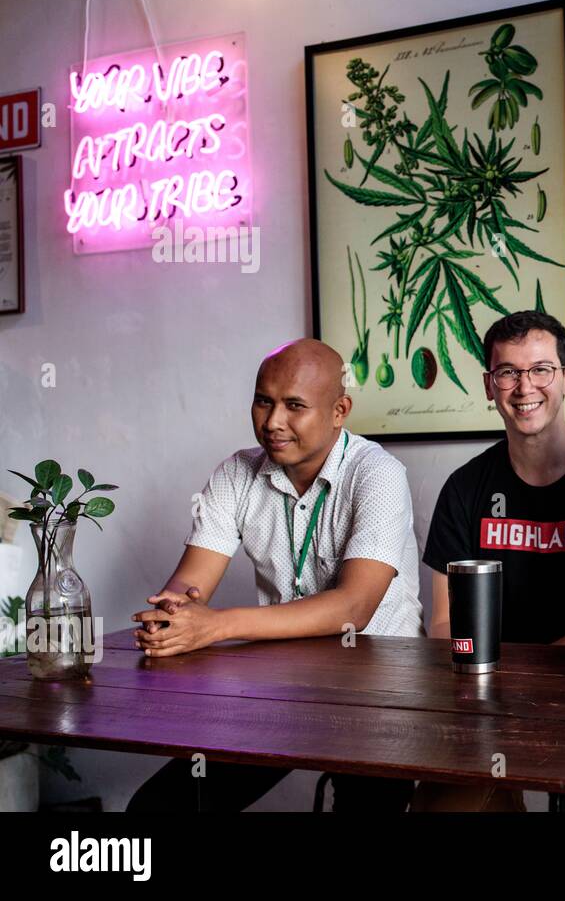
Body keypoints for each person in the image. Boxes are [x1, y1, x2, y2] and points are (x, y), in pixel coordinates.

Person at [126, 338, 422, 812]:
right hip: (282, 685)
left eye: (294, 406)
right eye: (263, 400)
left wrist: (216, 626)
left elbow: (354, 608)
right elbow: (188, 586)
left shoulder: (378, 473)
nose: (272, 422)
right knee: (160, 807)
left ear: (340, 410)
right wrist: (173, 614)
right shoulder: (237, 472)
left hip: (382, 689)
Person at [416, 310, 565, 811]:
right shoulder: (465, 488)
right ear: (489, 386)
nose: (524, 386)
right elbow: (445, 622)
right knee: (441, 795)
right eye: (508, 372)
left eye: (540, 369)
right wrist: (497, 688)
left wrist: (529, 682)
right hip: (488, 697)